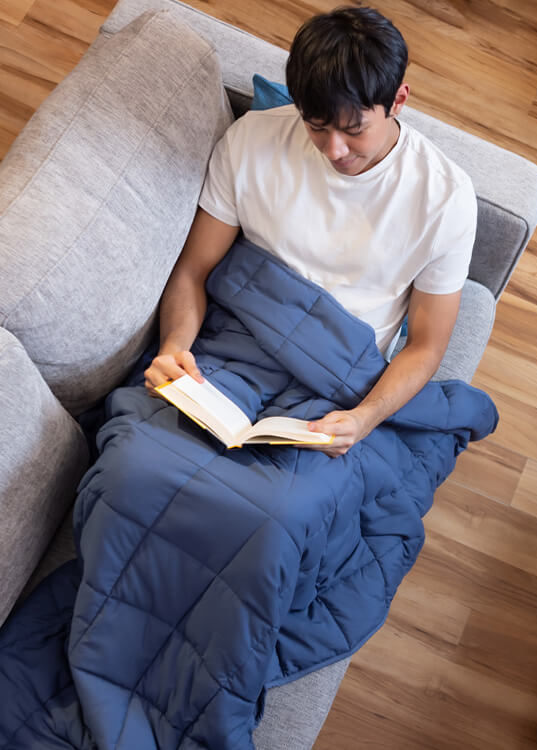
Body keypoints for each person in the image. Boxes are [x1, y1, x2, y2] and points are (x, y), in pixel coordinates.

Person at [142, 5, 476, 457]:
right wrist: (175, 348)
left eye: (353, 129)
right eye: (316, 127)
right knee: (144, 460)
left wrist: (364, 418)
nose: (334, 150)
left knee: (283, 513)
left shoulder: (445, 199)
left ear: (398, 101)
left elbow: (426, 345)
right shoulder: (251, 141)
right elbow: (194, 271)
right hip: (232, 349)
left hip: (338, 383)